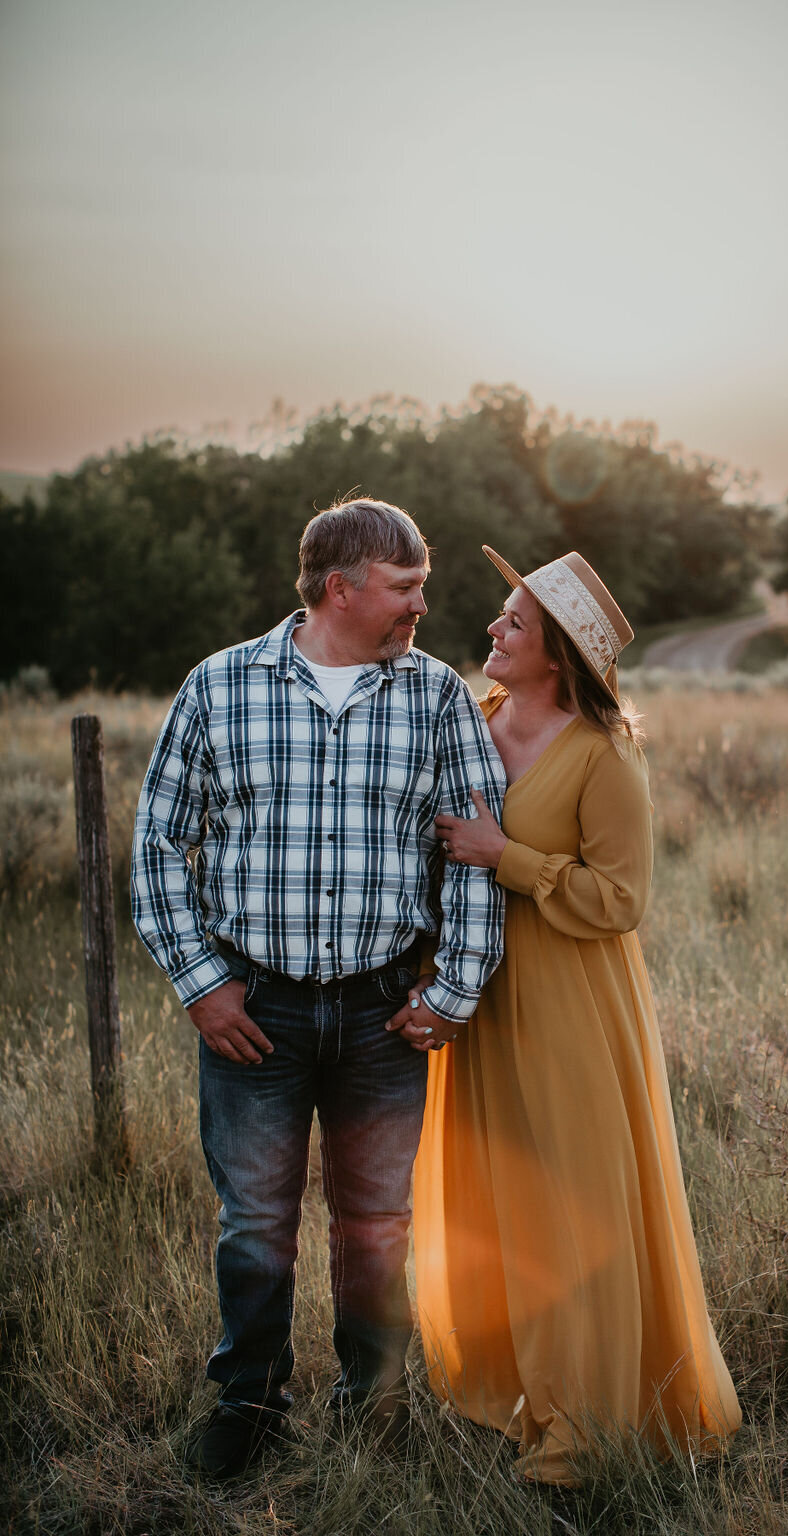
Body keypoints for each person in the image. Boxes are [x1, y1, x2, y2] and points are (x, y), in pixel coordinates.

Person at [131, 499, 505, 1478]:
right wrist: (202, 984)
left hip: (387, 1011)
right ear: (341, 588)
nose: (424, 605)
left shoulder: (436, 697)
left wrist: (453, 992)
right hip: (254, 1008)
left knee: (378, 1222)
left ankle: (368, 1402)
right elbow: (157, 845)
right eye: (406, 587)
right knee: (256, 1220)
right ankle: (250, 1403)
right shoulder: (221, 688)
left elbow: (474, 855)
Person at [391, 546, 742, 1485]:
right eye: (501, 617)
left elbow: (620, 901)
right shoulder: (477, 716)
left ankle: (581, 1434)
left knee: (568, 1207)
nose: (494, 630)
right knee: (499, 1198)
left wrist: (506, 856)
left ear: (559, 656)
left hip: (571, 1006)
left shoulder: (603, 755)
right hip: (482, 999)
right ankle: (518, 1393)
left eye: (515, 622)